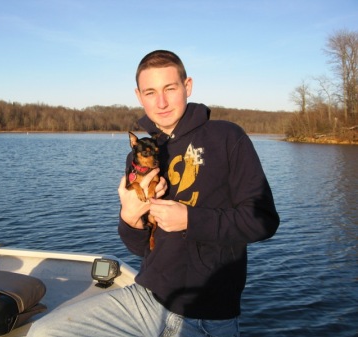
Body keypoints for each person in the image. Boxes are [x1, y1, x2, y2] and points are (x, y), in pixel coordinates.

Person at [27, 50, 280, 337]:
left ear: (188, 86)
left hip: (207, 316)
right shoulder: (139, 155)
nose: (160, 102)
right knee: (44, 331)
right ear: (139, 96)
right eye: (150, 92)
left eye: (170, 89)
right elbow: (140, 247)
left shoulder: (227, 138)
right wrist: (130, 219)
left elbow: (263, 220)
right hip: (146, 298)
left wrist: (190, 219)